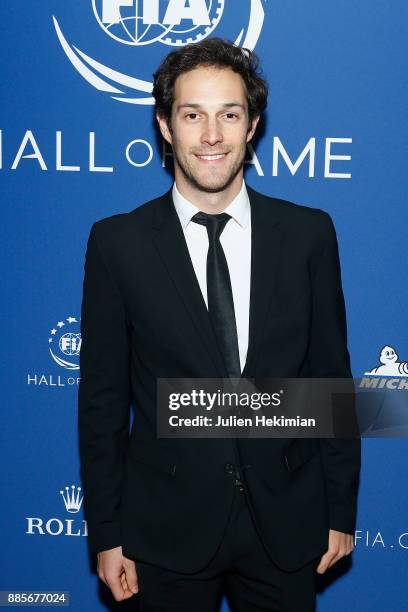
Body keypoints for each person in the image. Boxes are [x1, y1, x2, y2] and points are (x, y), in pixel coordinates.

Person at [78, 38, 361, 611]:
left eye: (229, 114)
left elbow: (330, 378)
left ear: (252, 124)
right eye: (193, 115)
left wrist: (340, 510)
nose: (212, 136)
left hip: (286, 523)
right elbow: (103, 401)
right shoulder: (118, 244)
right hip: (164, 528)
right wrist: (107, 531)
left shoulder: (308, 235)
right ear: (165, 124)